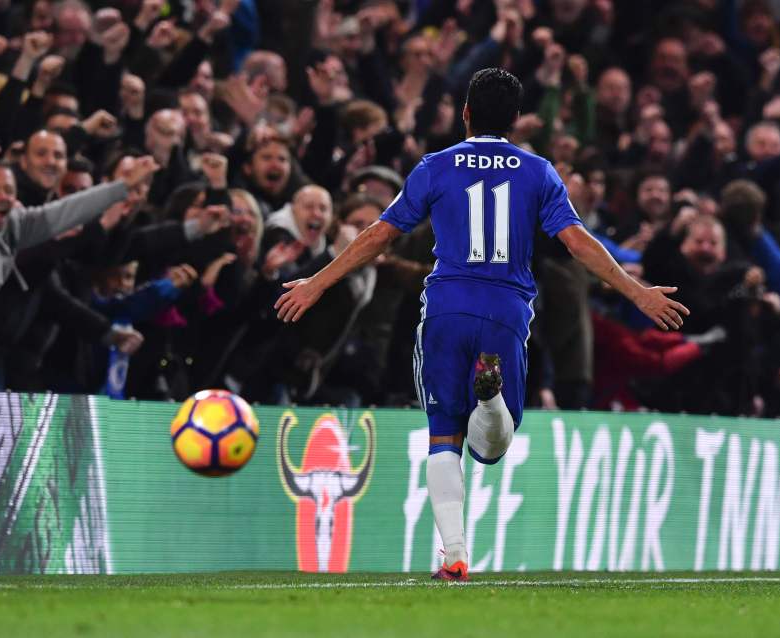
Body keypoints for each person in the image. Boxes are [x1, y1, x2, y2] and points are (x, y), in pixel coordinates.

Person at [274, 67, 689, 581]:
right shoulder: (538, 171)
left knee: (444, 435)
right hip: (507, 311)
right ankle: (490, 400)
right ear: (515, 120)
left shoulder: (435, 166)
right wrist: (637, 291)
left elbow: (380, 234)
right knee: (492, 447)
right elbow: (577, 242)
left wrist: (317, 281)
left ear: (465, 112)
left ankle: (454, 553)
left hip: (446, 307)